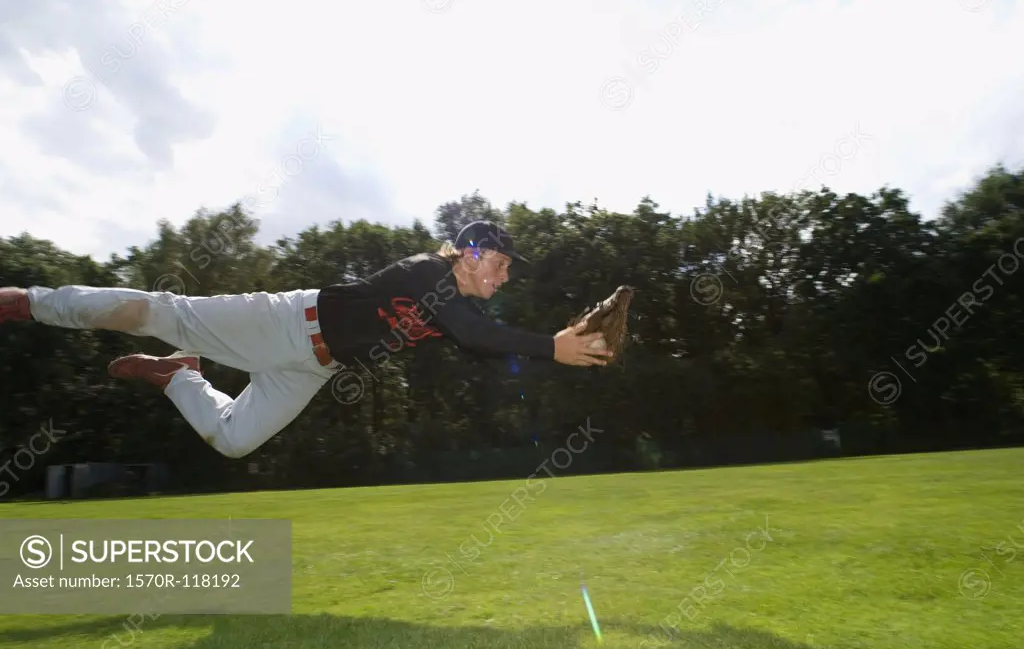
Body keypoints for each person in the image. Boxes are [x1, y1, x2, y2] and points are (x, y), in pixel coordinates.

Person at [0, 221, 613, 458]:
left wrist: (564, 346)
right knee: (162, 312)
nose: (505, 274)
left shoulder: (456, 305)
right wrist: (552, 346)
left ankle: (177, 375)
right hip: (289, 322)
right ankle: (30, 302)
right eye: (501, 263)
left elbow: (480, 340)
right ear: (470, 254)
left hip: (309, 367)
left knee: (234, 439)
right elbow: (478, 335)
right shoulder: (432, 269)